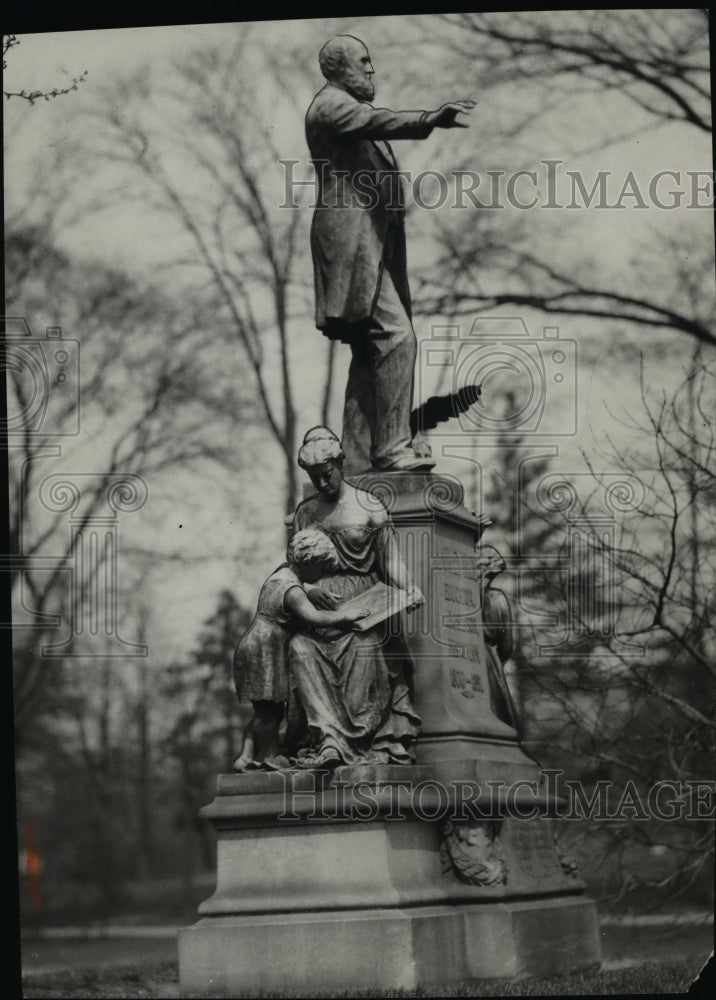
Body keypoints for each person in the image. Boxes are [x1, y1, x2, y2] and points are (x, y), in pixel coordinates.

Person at [305, 34, 474, 474]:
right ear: (338, 69)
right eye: (363, 62)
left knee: (369, 352)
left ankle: (357, 461)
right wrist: (429, 119)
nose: (371, 70)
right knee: (397, 339)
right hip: (352, 246)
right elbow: (379, 121)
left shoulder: (346, 110)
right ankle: (392, 448)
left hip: (374, 246)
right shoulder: (331, 106)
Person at [288, 426, 422, 767]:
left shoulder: (368, 505)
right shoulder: (306, 513)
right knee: (299, 648)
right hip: (320, 606)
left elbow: (390, 560)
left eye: (326, 475)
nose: (321, 484)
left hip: (365, 605)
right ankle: (329, 739)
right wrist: (308, 589)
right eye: (314, 477)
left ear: (340, 464)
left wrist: (409, 588)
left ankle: (358, 738)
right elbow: (293, 568)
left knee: (364, 650)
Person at [232, 528, 368, 771]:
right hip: (263, 652)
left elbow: (298, 583)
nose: (321, 575)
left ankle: (245, 756)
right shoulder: (292, 590)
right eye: (320, 569)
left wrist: (311, 589)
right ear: (310, 562)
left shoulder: (283, 574)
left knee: (267, 710)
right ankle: (272, 757)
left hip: (262, 647)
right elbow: (313, 617)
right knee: (266, 713)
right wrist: (345, 616)